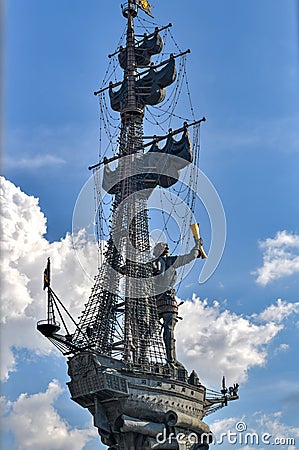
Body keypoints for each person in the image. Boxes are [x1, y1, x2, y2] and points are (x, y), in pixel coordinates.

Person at [152, 237, 203, 364]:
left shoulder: (154, 263)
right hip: (168, 301)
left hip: (155, 301)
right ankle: (171, 360)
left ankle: (142, 356)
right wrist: (197, 245)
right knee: (168, 330)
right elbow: (191, 256)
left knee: (148, 330)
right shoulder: (170, 261)